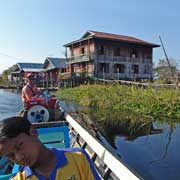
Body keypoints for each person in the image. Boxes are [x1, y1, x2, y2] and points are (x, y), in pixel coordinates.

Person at [0, 116, 100, 180]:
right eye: (11, 155)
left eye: (19, 146)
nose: (19, 157)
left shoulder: (78, 158)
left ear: (33, 132)